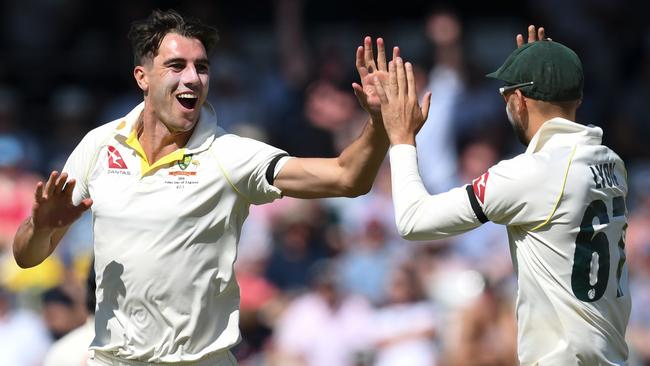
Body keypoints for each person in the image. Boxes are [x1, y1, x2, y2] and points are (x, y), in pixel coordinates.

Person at [12, 9, 412, 365]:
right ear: (142, 77)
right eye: (176, 65)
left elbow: (348, 177)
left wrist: (377, 122)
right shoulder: (99, 146)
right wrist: (41, 225)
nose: (192, 78)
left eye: (201, 67)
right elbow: (27, 256)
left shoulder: (230, 154)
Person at [374, 25, 630, 365]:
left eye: (506, 94)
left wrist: (402, 138)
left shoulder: (528, 174)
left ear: (519, 100)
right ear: (577, 99)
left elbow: (413, 221)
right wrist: (545, 66)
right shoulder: (611, 162)